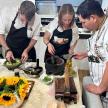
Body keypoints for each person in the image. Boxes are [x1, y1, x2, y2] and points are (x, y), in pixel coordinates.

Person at [74, 0, 108, 107]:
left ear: (93, 18)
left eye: (84, 22)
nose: (83, 26)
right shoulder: (99, 25)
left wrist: (100, 88)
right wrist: (85, 54)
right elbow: (100, 51)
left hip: (105, 91)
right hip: (97, 80)